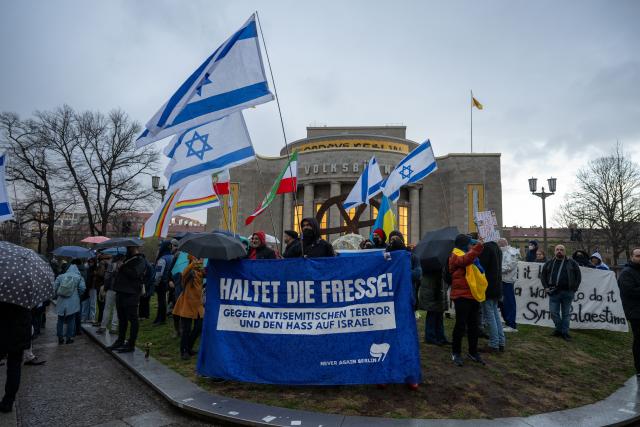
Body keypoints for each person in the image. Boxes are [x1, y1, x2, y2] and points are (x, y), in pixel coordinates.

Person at [449, 234, 485, 366]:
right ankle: (456, 352)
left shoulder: (471, 256)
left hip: (473, 295)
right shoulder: (455, 255)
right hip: (461, 296)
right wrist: (478, 247)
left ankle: (473, 352)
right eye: (470, 243)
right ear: (463, 244)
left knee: (473, 326)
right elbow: (465, 260)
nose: (471, 245)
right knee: (460, 325)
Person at [109, 245, 146, 353]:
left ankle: (131, 344)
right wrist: (118, 269)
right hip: (121, 292)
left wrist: (123, 267)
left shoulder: (140, 260)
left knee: (133, 320)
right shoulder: (127, 259)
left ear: (134, 248)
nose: (127, 250)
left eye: (128, 248)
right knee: (122, 319)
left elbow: (135, 274)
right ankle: (120, 340)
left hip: (131, 294)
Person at [541, 244, 582, 341]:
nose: (559, 251)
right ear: (555, 251)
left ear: (565, 251)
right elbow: (543, 276)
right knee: (553, 313)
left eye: (561, 250)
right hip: (553, 292)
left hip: (568, 292)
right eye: (557, 249)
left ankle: (565, 333)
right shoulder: (549, 263)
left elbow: (578, 276)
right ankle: (559, 329)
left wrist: (574, 289)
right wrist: (546, 287)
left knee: (566, 314)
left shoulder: (572, 263)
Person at [0, 302, 32, 413]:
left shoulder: (4, 291)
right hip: (19, 335)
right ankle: (8, 402)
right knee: (14, 368)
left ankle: (8, 401)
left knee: (14, 368)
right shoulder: (24, 294)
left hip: (3, 333)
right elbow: (27, 318)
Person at [173, 255, 205, 360]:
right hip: (187, 304)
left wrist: (202, 268)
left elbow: (207, 275)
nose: (200, 260)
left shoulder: (201, 272)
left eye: (201, 259)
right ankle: (184, 351)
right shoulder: (189, 271)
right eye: (197, 258)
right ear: (191, 259)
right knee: (186, 329)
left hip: (198, 305)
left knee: (198, 327)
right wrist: (193, 264)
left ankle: (189, 347)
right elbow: (183, 275)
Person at [618, 248, 640, 376]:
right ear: (632, 257)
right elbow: (629, 291)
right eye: (638, 256)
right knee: (639, 340)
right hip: (635, 312)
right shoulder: (626, 273)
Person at [53, 259, 86, 344]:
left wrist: (57, 294)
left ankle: (60, 337)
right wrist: (78, 294)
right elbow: (82, 288)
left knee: (60, 319)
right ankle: (69, 338)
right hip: (73, 300)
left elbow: (54, 287)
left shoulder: (61, 276)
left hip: (61, 300)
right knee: (71, 319)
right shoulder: (79, 277)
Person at [96, 254, 121, 335]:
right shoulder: (124, 265)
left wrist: (105, 288)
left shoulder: (111, 265)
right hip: (119, 289)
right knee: (116, 309)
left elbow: (107, 277)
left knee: (107, 308)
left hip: (110, 289)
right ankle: (114, 328)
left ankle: (103, 326)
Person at [498, 238, 519, 332]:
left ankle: (511, 324)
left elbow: (509, 267)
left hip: (507, 281)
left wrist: (496, 268)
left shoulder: (512, 253)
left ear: (502, 244)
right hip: (501, 280)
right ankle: (507, 322)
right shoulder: (503, 252)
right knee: (502, 303)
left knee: (509, 303)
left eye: (499, 244)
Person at [152, 241, 174, 325]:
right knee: (164, 300)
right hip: (169, 282)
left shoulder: (162, 259)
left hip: (162, 283)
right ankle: (160, 318)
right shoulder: (173, 257)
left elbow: (158, 273)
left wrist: (155, 283)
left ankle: (161, 319)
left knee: (161, 301)